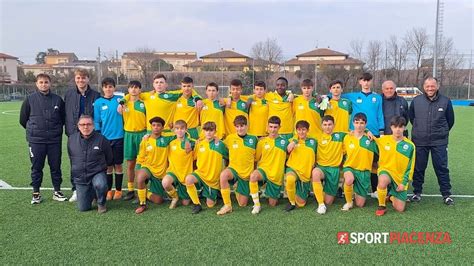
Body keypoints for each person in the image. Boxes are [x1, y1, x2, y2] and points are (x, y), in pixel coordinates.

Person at [19, 73, 67, 204]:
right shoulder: (29, 99)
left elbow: (63, 119)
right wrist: (34, 130)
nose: (43, 84)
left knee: (56, 166)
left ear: (50, 84)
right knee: (36, 167)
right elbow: (23, 120)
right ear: (36, 84)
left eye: (46, 82)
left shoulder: (57, 100)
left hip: (54, 140)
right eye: (41, 82)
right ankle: (36, 193)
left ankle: (57, 191)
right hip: (36, 141)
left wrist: (54, 131)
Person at [408, 77, 455, 205]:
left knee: (441, 167)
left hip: (439, 141)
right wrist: (420, 130)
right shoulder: (416, 101)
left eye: (432, 86)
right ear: (424, 87)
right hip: (420, 140)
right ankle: (417, 193)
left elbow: (450, 120)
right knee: (419, 168)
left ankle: (446, 194)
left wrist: (441, 132)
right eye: (428, 86)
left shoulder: (446, 101)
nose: (430, 88)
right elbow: (412, 118)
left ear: (437, 86)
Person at [344, 73, 384, 194]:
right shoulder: (353, 96)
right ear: (360, 82)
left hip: (374, 134)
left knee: (375, 163)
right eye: (363, 80)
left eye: (368, 80)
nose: (366, 83)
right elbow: (334, 94)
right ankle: (350, 188)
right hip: (356, 134)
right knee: (354, 161)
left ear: (371, 82)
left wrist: (381, 132)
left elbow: (380, 114)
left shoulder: (377, 98)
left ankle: (375, 190)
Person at [64, 69, 100, 201]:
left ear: (88, 79)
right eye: (78, 78)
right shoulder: (69, 94)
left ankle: (92, 190)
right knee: (75, 162)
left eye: (83, 78)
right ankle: (76, 190)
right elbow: (64, 114)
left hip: (91, 134)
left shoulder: (96, 95)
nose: (81, 80)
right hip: (74, 134)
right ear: (75, 79)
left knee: (92, 161)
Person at [67, 115, 112, 213]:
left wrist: (101, 169)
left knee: (101, 184)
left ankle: (101, 202)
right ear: (78, 126)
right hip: (81, 177)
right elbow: (72, 157)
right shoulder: (71, 139)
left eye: (88, 124)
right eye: (82, 124)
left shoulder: (102, 139)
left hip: (97, 173)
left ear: (93, 126)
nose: (85, 127)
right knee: (83, 208)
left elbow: (109, 158)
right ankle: (92, 193)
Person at [374, 116, 415, 216]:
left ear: (404, 128)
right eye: (395, 127)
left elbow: (410, 167)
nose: (397, 129)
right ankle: (382, 205)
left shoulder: (410, 146)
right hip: (386, 170)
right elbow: (368, 137)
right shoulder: (383, 140)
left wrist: (403, 183)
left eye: (400, 127)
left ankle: (391, 196)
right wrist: (365, 131)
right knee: (382, 180)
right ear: (391, 128)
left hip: (399, 178)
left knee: (400, 209)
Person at [217, 115, 258, 215]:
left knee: (242, 203)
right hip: (233, 169)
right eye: (237, 126)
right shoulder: (230, 138)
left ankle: (237, 187)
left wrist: (254, 170)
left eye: (242, 126)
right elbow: (222, 149)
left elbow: (257, 157)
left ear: (246, 126)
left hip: (246, 174)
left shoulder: (254, 139)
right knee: (223, 175)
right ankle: (227, 205)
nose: (240, 128)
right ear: (235, 127)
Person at [249, 116, 290, 214]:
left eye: (275, 127)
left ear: (280, 127)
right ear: (267, 127)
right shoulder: (262, 142)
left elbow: (289, 157)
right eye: (271, 127)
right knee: (253, 176)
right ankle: (257, 205)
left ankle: (271, 193)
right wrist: (253, 170)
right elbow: (256, 158)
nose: (273, 130)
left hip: (276, 175)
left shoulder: (285, 142)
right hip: (263, 171)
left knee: (272, 204)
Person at [185, 121, 228, 214]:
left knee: (210, 205)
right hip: (200, 174)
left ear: (215, 131)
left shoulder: (220, 144)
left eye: (211, 130)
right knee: (188, 179)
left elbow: (228, 157)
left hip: (212, 179)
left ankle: (215, 192)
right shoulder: (199, 143)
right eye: (206, 130)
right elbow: (194, 158)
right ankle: (197, 204)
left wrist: (226, 170)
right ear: (203, 131)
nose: (208, 132)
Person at [134, 116, 174, 214]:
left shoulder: (167, 138)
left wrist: (173, 129)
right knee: (140, 178)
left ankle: (146, 193)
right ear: (151, 127)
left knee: (159, 201)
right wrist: (138, 170)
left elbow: (183, 134)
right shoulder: (145, 140)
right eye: (154, 125)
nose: (156, 127)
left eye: (158, 125)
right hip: (148, 167)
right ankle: (142, 204)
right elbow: (140, 156)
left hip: (161, 172)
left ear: (162, 128)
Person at [93, 77, 124, 200]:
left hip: (119, 137)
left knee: (118, 165)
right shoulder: (99, 102)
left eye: (111, 86)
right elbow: (96, 120)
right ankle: (109, 190)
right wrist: (99, 135)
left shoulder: (120, 100)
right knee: (108, 166)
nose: (108, 89)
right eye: (106, 87)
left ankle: (119, 190)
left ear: (114, 88)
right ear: (103, 88)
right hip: (105, 139)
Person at [341, 113, 378, 211]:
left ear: (365, 124)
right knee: (349, 179)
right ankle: (349, 202)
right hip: (350, 168)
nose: (359, 125)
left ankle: (355, 192)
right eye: (357, 123)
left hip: (364, 171)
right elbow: (342, 152)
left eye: (362, 123)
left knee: (360, 204)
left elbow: (381, 150)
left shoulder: (370, 139)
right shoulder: (347, 137)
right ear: (353, 123)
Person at [311, 115, 347, 214]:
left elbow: (356, 132)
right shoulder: (317, 137)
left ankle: (322, 192)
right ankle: (320, 205)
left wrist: (367, 131)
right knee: (315, 173)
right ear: (321, 126)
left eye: (330, 124)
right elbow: (301, 136)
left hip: (334, 170)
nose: (327, 127)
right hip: (321, 168)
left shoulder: (340, 136)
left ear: (334, 125)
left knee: (329, 202)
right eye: (325, 125)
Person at [120, 80, 147, 201]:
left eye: (136, 87)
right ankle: (131, 190)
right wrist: (121, 103)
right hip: (129, 135)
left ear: (140, 90)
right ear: (128, 90)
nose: (134, 90)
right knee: (130, 164)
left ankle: (142, 190)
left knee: (142, 164)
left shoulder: (144, 103)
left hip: (142, 134)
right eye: (131, 87)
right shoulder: (123, 104)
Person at [284, 120, 317, 212]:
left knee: (301, 204)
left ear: (308, 130)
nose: (301, 132)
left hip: (305, 174)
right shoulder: (292, 141)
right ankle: (291, 202)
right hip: (293, 168)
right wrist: (294, 141)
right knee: (290, 179)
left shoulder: (313, 142)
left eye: (303, 129)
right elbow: (287, 149)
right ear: (296, 131)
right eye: (299, 130)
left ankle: (298, 193)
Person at [161, 120, 194, 209]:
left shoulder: (191, 142)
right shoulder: (171, 141)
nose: (179, 131)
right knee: (165, 182)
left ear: (186, 129)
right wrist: (147, 135)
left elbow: (203, 142)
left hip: (185, 175)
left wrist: (216, 138)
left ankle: (186, 192)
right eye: (177, 128)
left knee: (186, 203)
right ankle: (175, 197)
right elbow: (157, 136)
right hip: (173, 172)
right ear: (174, 130)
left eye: (182, 128)